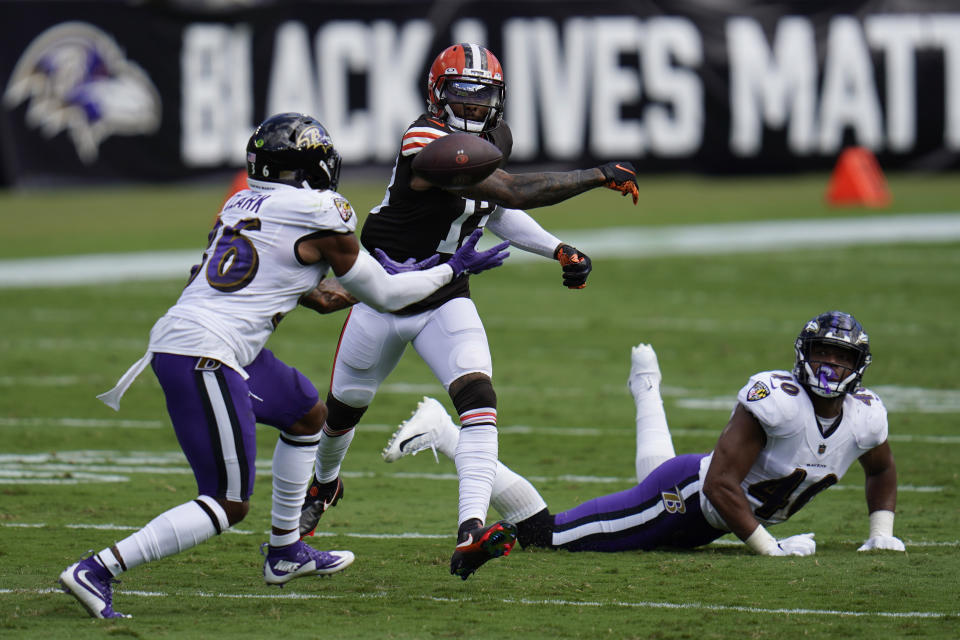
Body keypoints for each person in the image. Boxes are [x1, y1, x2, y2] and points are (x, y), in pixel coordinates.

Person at [58, 112, 510, 619]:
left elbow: (318, 297)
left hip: (206, 340)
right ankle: (98, 568)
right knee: (228, 502)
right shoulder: (320, 209)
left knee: (305, 413)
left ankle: (285, 551)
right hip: (207, 353)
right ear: (314, 166)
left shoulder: (240, 201)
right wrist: (450, 268)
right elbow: (381, 294)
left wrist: (409, 273)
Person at [297, 43, 641, 580]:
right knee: (341, 415)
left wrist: (557, 249)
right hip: (383, 289)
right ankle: (324, 482)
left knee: (479, 402)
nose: (476, 107)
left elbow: (495, 209)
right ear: (437, 95)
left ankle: (471, 529)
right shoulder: (426, 142)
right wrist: (596, 175)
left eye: (485, 97)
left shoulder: (483, 143)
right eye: (464, 93)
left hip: (444, 292)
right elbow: (513, 190)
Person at [383, 311, 906, 557]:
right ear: (803, 356)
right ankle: (449, 434)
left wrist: (880, 534)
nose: (832, 366)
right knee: (545, 538)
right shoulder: (778, 401)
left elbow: (881, 469)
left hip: (704, 506)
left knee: (653, 478)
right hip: (683, 500)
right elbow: (722, 486)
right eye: (823, 354)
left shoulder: (866, 415)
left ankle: (646, 385)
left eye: (842, 357)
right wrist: (771, 548)